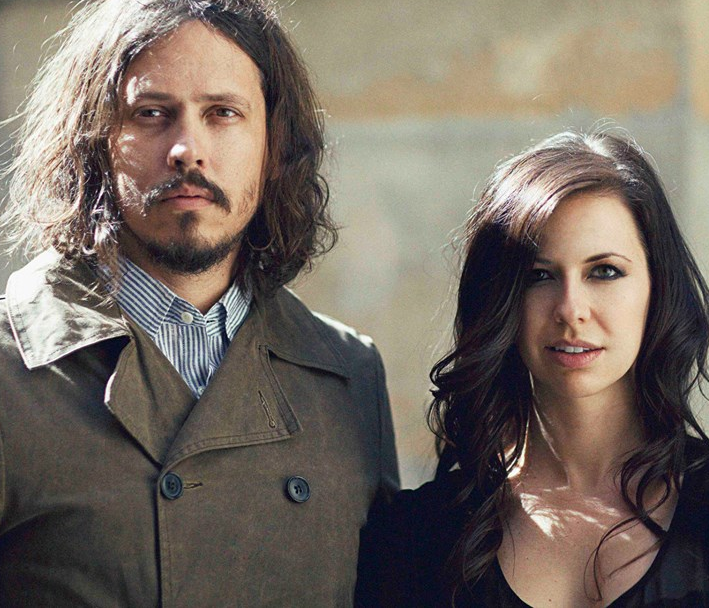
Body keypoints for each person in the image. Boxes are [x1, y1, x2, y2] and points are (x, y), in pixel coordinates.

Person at [0, 1, 399, 605]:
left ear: (274, 145)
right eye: (152, 113)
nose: (187, 149)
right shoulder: (10, 371)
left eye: (223, 113)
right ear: (94, 141)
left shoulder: (349, 375)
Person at [356, 131, 709, 607]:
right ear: (501, 302)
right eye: (538, 276)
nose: (571, 309)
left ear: (657, 287)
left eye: (604, 271)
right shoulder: (417, 536)